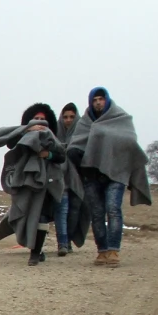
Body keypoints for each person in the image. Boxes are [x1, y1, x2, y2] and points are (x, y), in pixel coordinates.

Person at [66, 87, 152, 267]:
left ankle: (114, 250)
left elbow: (130, 141)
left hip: (116, 172)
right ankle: (102, 250)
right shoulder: (85, 122)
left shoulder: (121, 118)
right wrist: (81, 161)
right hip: (92, 175)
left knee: (113, 209)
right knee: (97, 213)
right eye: (95, 99)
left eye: (101, 99)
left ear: (107, 100)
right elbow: (75, 146)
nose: (98, 102)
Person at [0, 103, 66, 266]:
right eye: (36, 118)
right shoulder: (21, 136)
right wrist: (24, 130)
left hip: (47, 184)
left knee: (41, 216)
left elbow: (61, 156)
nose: (39, 122)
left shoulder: (52, 137)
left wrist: (48, 154)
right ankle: (36, 248)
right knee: (26, 215)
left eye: (43, 119)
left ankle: (35, 254)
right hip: (24, 184)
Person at [53, 102, 88, 256]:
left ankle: (69, 239)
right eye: (65, 117)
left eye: (72, 117)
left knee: (75, 212)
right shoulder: (54, 132)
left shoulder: (83, 133)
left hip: (79, 180)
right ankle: (63, 242)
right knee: (62, 211)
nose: (68, 120)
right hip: (61, 179)